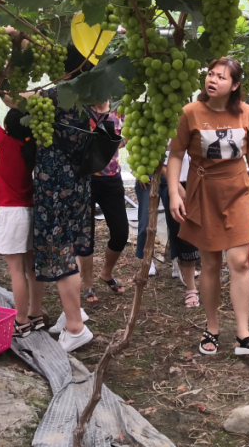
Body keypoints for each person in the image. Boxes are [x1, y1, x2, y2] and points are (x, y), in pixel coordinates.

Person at [167, 58, 249, 356]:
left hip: (238, 191)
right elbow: (176, 155)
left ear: (235, 85)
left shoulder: (248, 114)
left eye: (221, 76)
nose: (212, 80)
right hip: (203, 192)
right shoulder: (189, 113)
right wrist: (174, 193)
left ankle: (243, 333)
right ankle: (212, 326)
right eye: (210, 74)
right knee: (211, 263)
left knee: (239, 261)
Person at [32, 47, 96, 353]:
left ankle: (75, 327)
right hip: (78, 184)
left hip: (55, 185)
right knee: (69, 245)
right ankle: (74, 312)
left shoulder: (54, 98)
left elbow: (16, 105)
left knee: (60, 254)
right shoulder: (87, 97)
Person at [0, 103, 43, 337]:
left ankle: (20, 321)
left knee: (16, 271)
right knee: (32, 269)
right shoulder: (32, 147)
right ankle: (35, 315)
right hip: (31, 210)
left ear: (8, 127)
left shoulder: (7, 143)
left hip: (12, 213)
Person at [77, 100, 129, 304]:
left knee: (121, 233)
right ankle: (88, 284)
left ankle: (106, 274)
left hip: (112, 180)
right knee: (86, 236)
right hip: (86, 180)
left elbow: (129, 135)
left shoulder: (119, 111)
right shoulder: (82, 112)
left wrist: (114, 145)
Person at [136, 148, 201, 307]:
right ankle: (146, 259)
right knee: (145, 223)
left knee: (177, 223)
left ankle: (177, 261)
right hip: (150, 172)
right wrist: (139, 169)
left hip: (178, 175)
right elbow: (134, 142)